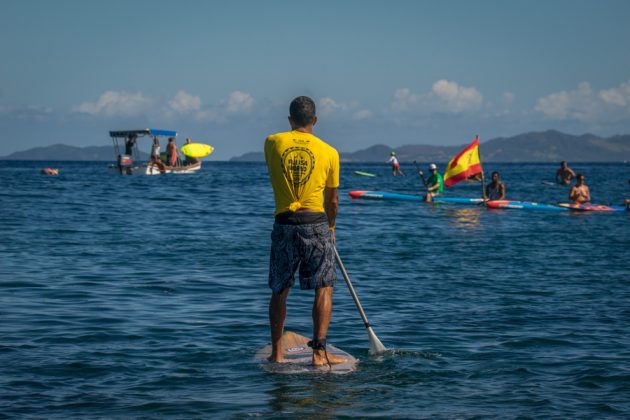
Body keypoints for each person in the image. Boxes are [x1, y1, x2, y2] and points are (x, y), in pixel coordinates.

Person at [264, 95, 346, 366]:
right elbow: (332, 201)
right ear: (315, 120)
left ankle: (277, 354)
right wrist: (331, 228)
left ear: (290, 120)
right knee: (324, 288)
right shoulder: (330, 152)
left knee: (280, 290)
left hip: (285, 223)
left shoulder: (273, 142)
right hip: (316, 224)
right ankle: (318, 354)